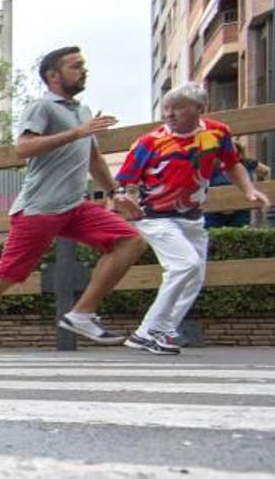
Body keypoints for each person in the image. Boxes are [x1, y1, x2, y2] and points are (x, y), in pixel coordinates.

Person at [0, 46, 147, 357]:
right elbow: (23, 148)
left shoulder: (83, 112)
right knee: (7, 275)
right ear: (53, 75)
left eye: (83, 65)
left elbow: (93, 159)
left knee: (130, 241)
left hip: (74, 206)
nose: (83, 71)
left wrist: (116, 192)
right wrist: (76, 132)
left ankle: (82, 313)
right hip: (39, 208)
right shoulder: (41, 108)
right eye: (75, 67)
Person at [116, 83, 271, 355]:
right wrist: (126, 200)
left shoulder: (217, 133)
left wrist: (248, 190)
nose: (169, 114)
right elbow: (126, 181)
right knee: (185, 265)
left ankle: (160, 332)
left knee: (194, 275)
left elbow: (232, 164)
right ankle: (149, 331)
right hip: (154, 216)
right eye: (166, 108)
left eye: (177, 107)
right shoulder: (148, 143)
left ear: (199, 109)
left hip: (192, 217)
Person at [204, 143, 272, 228]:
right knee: (212, 234)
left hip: (241, 207)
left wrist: (262, 187)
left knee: (239, 234)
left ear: (239, 152)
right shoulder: (215, 165)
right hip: (215, 209)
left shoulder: (247, 162)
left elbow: (266, 171)